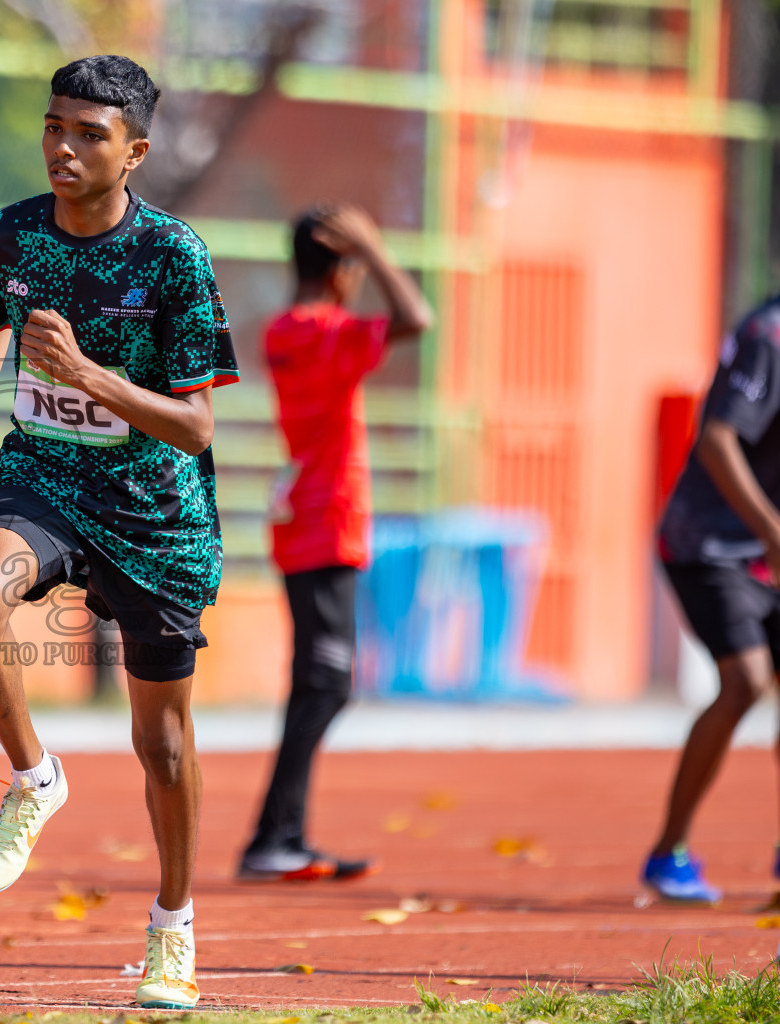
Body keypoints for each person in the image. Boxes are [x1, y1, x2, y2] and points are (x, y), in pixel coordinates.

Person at [0, 55, 237, 1011]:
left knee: (165, 746)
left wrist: (90, 374)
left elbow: (196, 426)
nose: (64, 146)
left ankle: (173, 932)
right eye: (55, 126)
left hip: (154, 506)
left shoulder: (172, 256)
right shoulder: (11, 235)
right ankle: (33, 778)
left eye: (89, 134)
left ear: (134, 152)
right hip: (45, 472)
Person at [240, 205, 432, 882]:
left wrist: (360, 255)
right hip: (328, 522)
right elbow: (417, 318)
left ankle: (281, 835)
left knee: (318, 683)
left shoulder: (284, 331)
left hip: (303, 519)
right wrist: (378, 249)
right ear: (344, 270)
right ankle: (273, 836)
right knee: (326, 683)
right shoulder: (325, 332)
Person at [645, 209, 780, 904]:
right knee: (746, 681)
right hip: (713, 543)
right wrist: (774, 531)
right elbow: (717, 438)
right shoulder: (771, 336)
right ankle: (666, 850)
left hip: (778, 554)